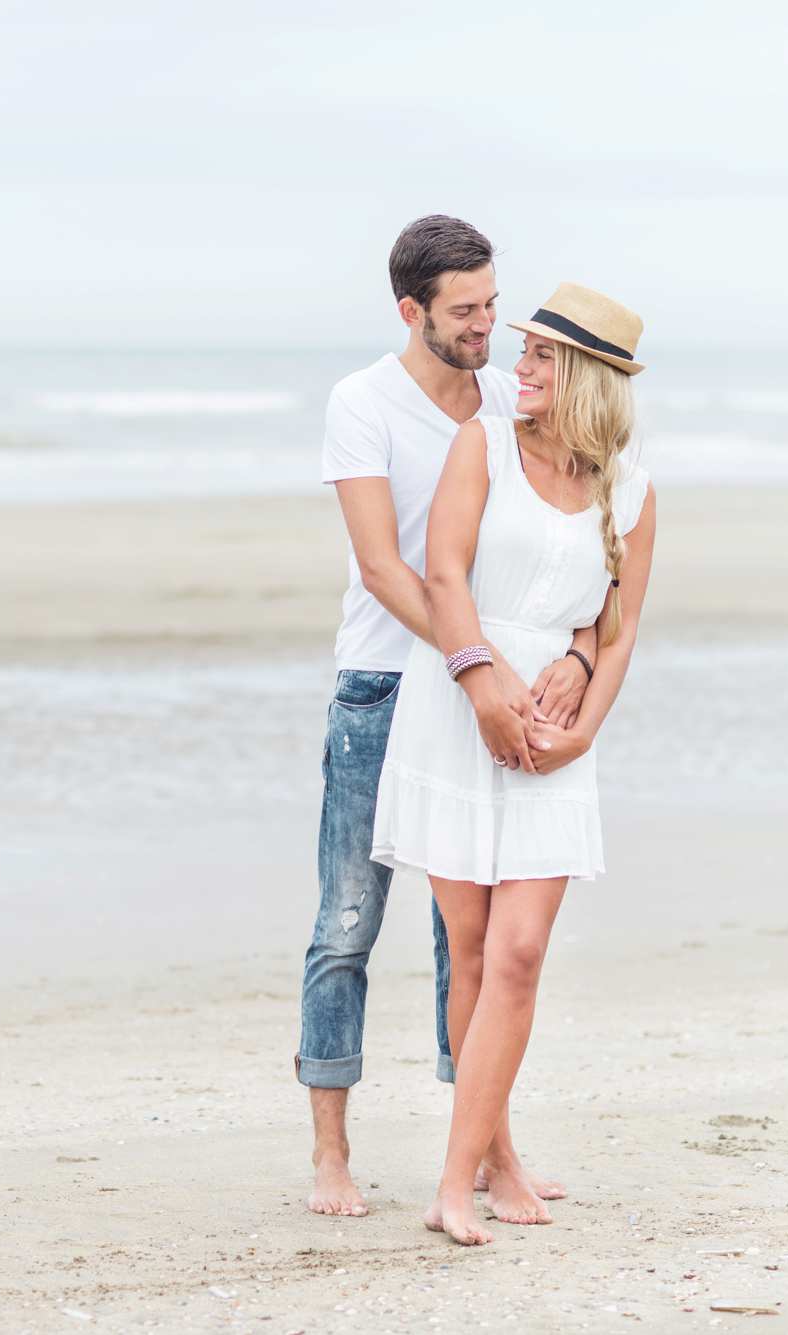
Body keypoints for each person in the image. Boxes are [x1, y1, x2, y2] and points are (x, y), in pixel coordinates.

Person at [299, 218, 595, 1217]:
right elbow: (386, 567)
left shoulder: (510, 406)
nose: (487, 325)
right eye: (464, 310)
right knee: (347, 922)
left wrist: (556, 657)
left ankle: (484, 1154)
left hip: (479, 695)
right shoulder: (361, 404)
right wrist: (477, 667)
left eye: (488, 303)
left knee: (464, 944)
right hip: (383, 689)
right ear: (410, 311)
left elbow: (566, 544)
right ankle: (330, 1156)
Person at [369, 281, 656, 1244]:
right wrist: (481, 682)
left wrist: (584, 714)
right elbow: (443, 573)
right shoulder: (481, 446)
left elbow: (616, 630)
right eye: (520, 349)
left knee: (521, 953)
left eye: (539, 356)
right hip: (458, 709)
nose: (517, 366)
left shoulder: (631, 485)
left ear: (582, 375)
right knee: (473, 947)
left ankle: (475, 1164)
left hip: (551, 734)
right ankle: (476, 1173)